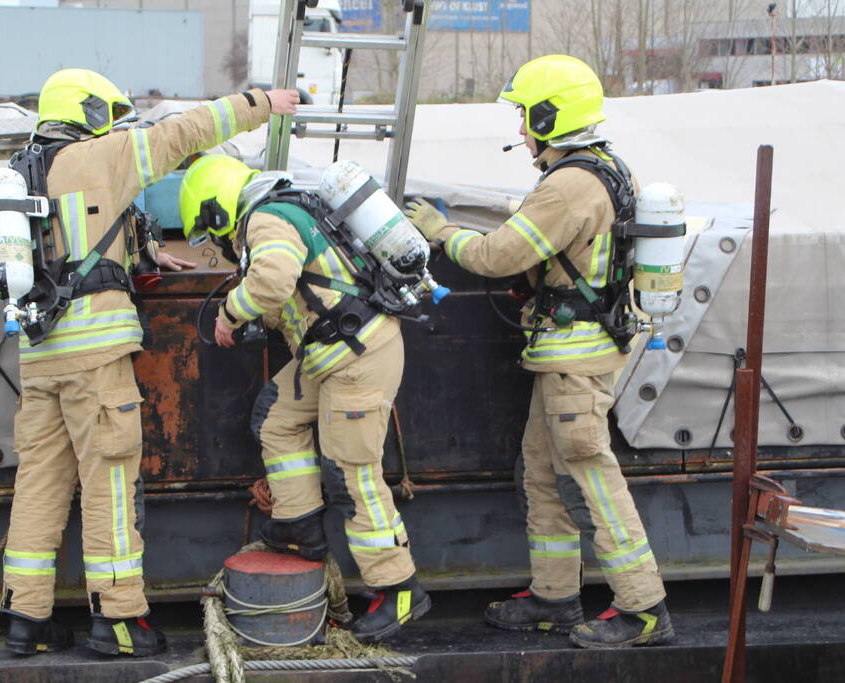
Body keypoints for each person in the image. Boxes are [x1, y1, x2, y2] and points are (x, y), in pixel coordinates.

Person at [0, 67, 299, 657]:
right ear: (90, 114)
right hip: (97, 359)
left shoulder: (18, 175)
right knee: (109, 487)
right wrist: (262, 102)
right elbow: (185, 132)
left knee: (38, 486)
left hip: (39, 361)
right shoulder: (104, 155)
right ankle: (118, 621)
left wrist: (146, 251)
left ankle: (24, 618)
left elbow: (73, 244)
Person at [403, 55, 674, 649]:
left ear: (553, 116)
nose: (521, 130)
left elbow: (499, 256)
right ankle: (556, 596)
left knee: (588, 475)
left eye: (527, 116)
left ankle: (643, 606)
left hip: (575, 359)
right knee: (543, 474)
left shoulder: (571, 182)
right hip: (567, 353)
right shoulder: (598, 168)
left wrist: (440, 232)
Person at [178, 154, 430, 643]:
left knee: (352, 472)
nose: (217, 244)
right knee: (276, 418)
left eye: (210, 233)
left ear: (216, 209)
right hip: (330, 351)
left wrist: (229, 315)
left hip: (356, 356)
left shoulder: (267, 218)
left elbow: (272, 281)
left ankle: (399, 588)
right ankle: (299, 527)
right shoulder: (290, 209)